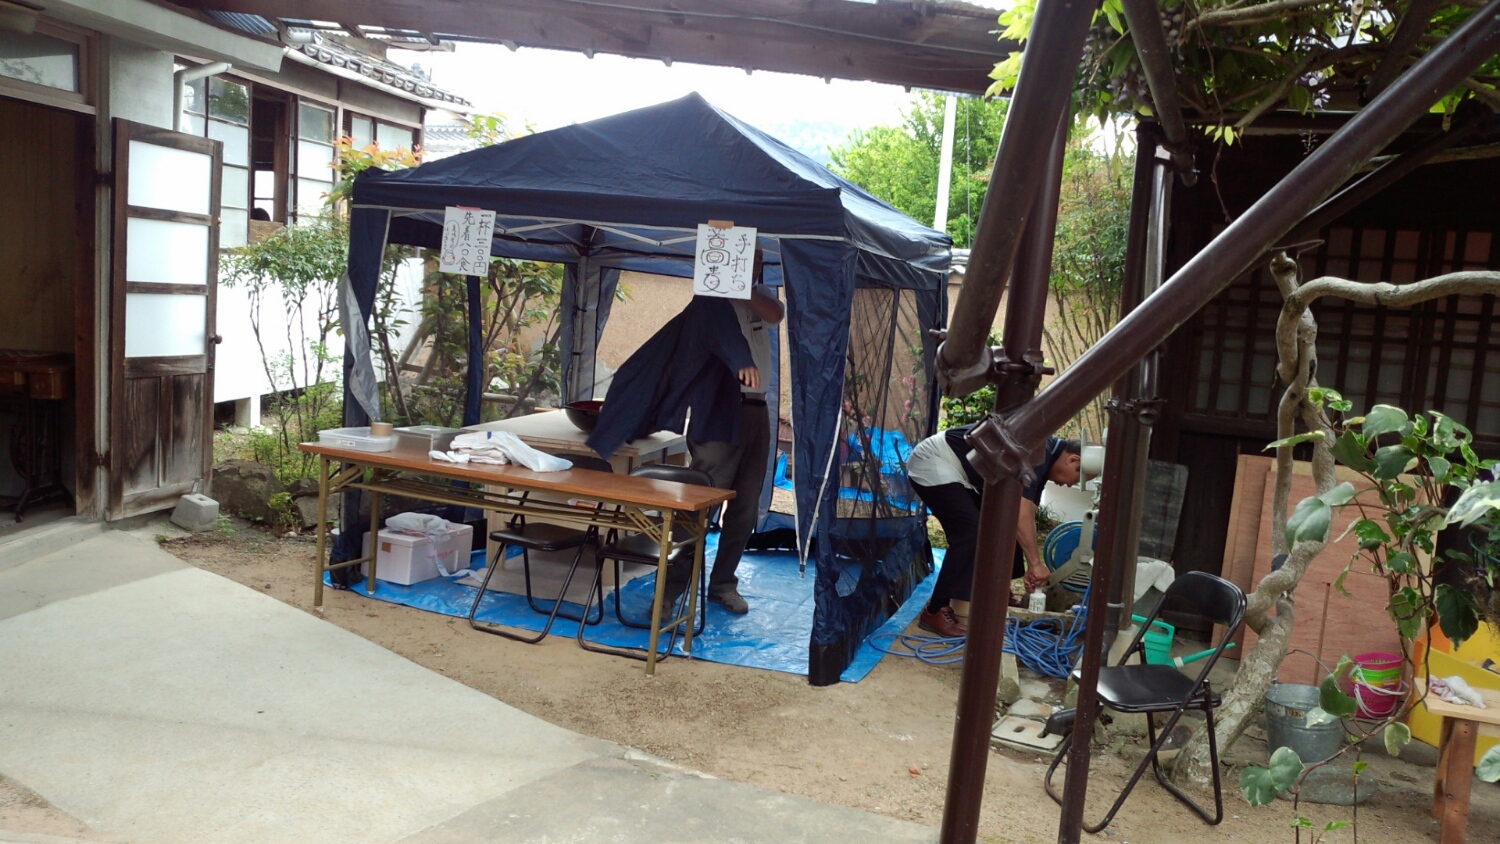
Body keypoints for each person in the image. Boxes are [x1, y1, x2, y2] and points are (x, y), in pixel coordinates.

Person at [587, 256, 785, 616]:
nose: (752, 263)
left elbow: (776, 313)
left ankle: (723, 585)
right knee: (698, 508)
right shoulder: (708, 300)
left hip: (757, 412)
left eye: (756, 257)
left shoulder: (758, 297)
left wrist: (742, 284)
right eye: (745, 256)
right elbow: (723, 337)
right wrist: (739, 356)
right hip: (719, 414)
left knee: (744, 508)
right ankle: (668, 593)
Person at [907, 427, 1082, 638]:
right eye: (1077, 479)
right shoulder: (1038, 451)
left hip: (958, 470)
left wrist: (1032, 562)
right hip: (933, 460)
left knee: (1003, 521)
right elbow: (1021, 513)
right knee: (971, 533)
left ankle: (998, 591)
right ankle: (935, 610)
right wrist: (1035, 564)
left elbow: (1025, 516)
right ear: (1073, 460)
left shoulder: (1044, 459)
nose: (1070, 485)